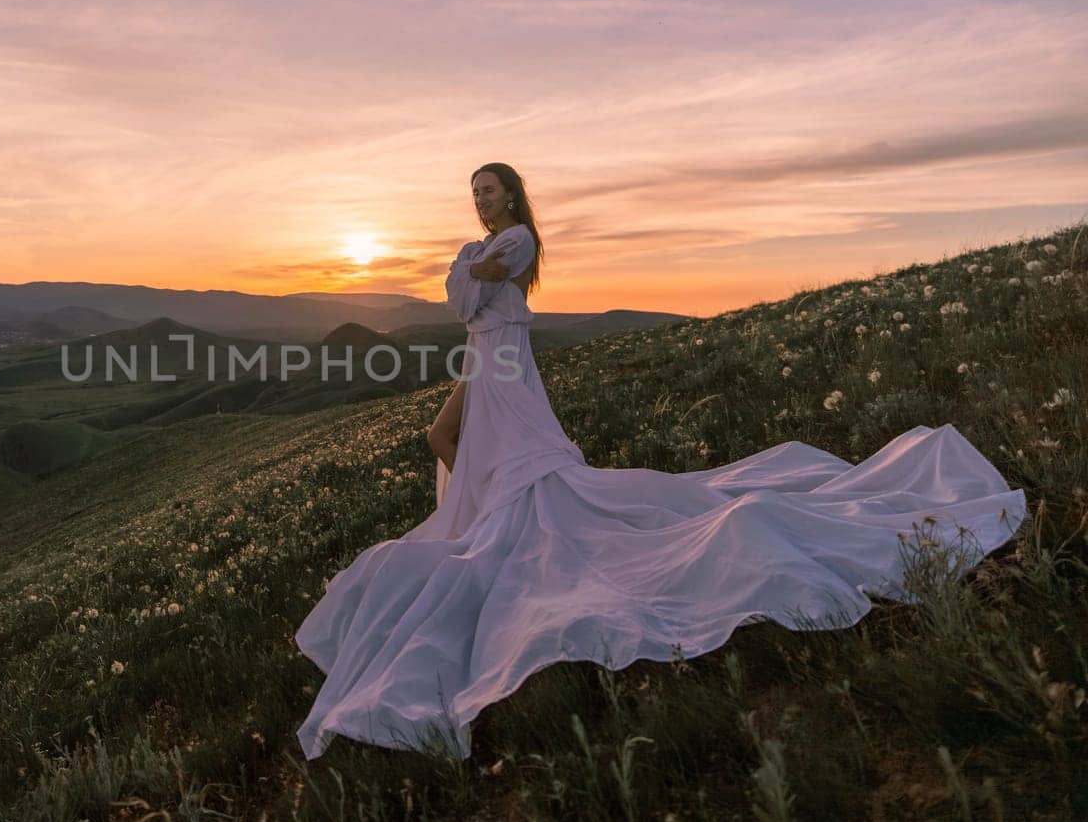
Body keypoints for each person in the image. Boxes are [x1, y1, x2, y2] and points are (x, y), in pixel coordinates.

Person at [293, 162, 1028, 762]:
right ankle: (479, 514)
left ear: (511, 195)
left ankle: (496, 518)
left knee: (531, 479)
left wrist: (470, 273)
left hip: (506, 368)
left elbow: (467, 289)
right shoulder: (483, 249)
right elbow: (462, 293)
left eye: (488, 190)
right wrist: (467, 275)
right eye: (473, 194)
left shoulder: (517, 239)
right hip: (481, 361)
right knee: (438, 439)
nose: (481, 202)